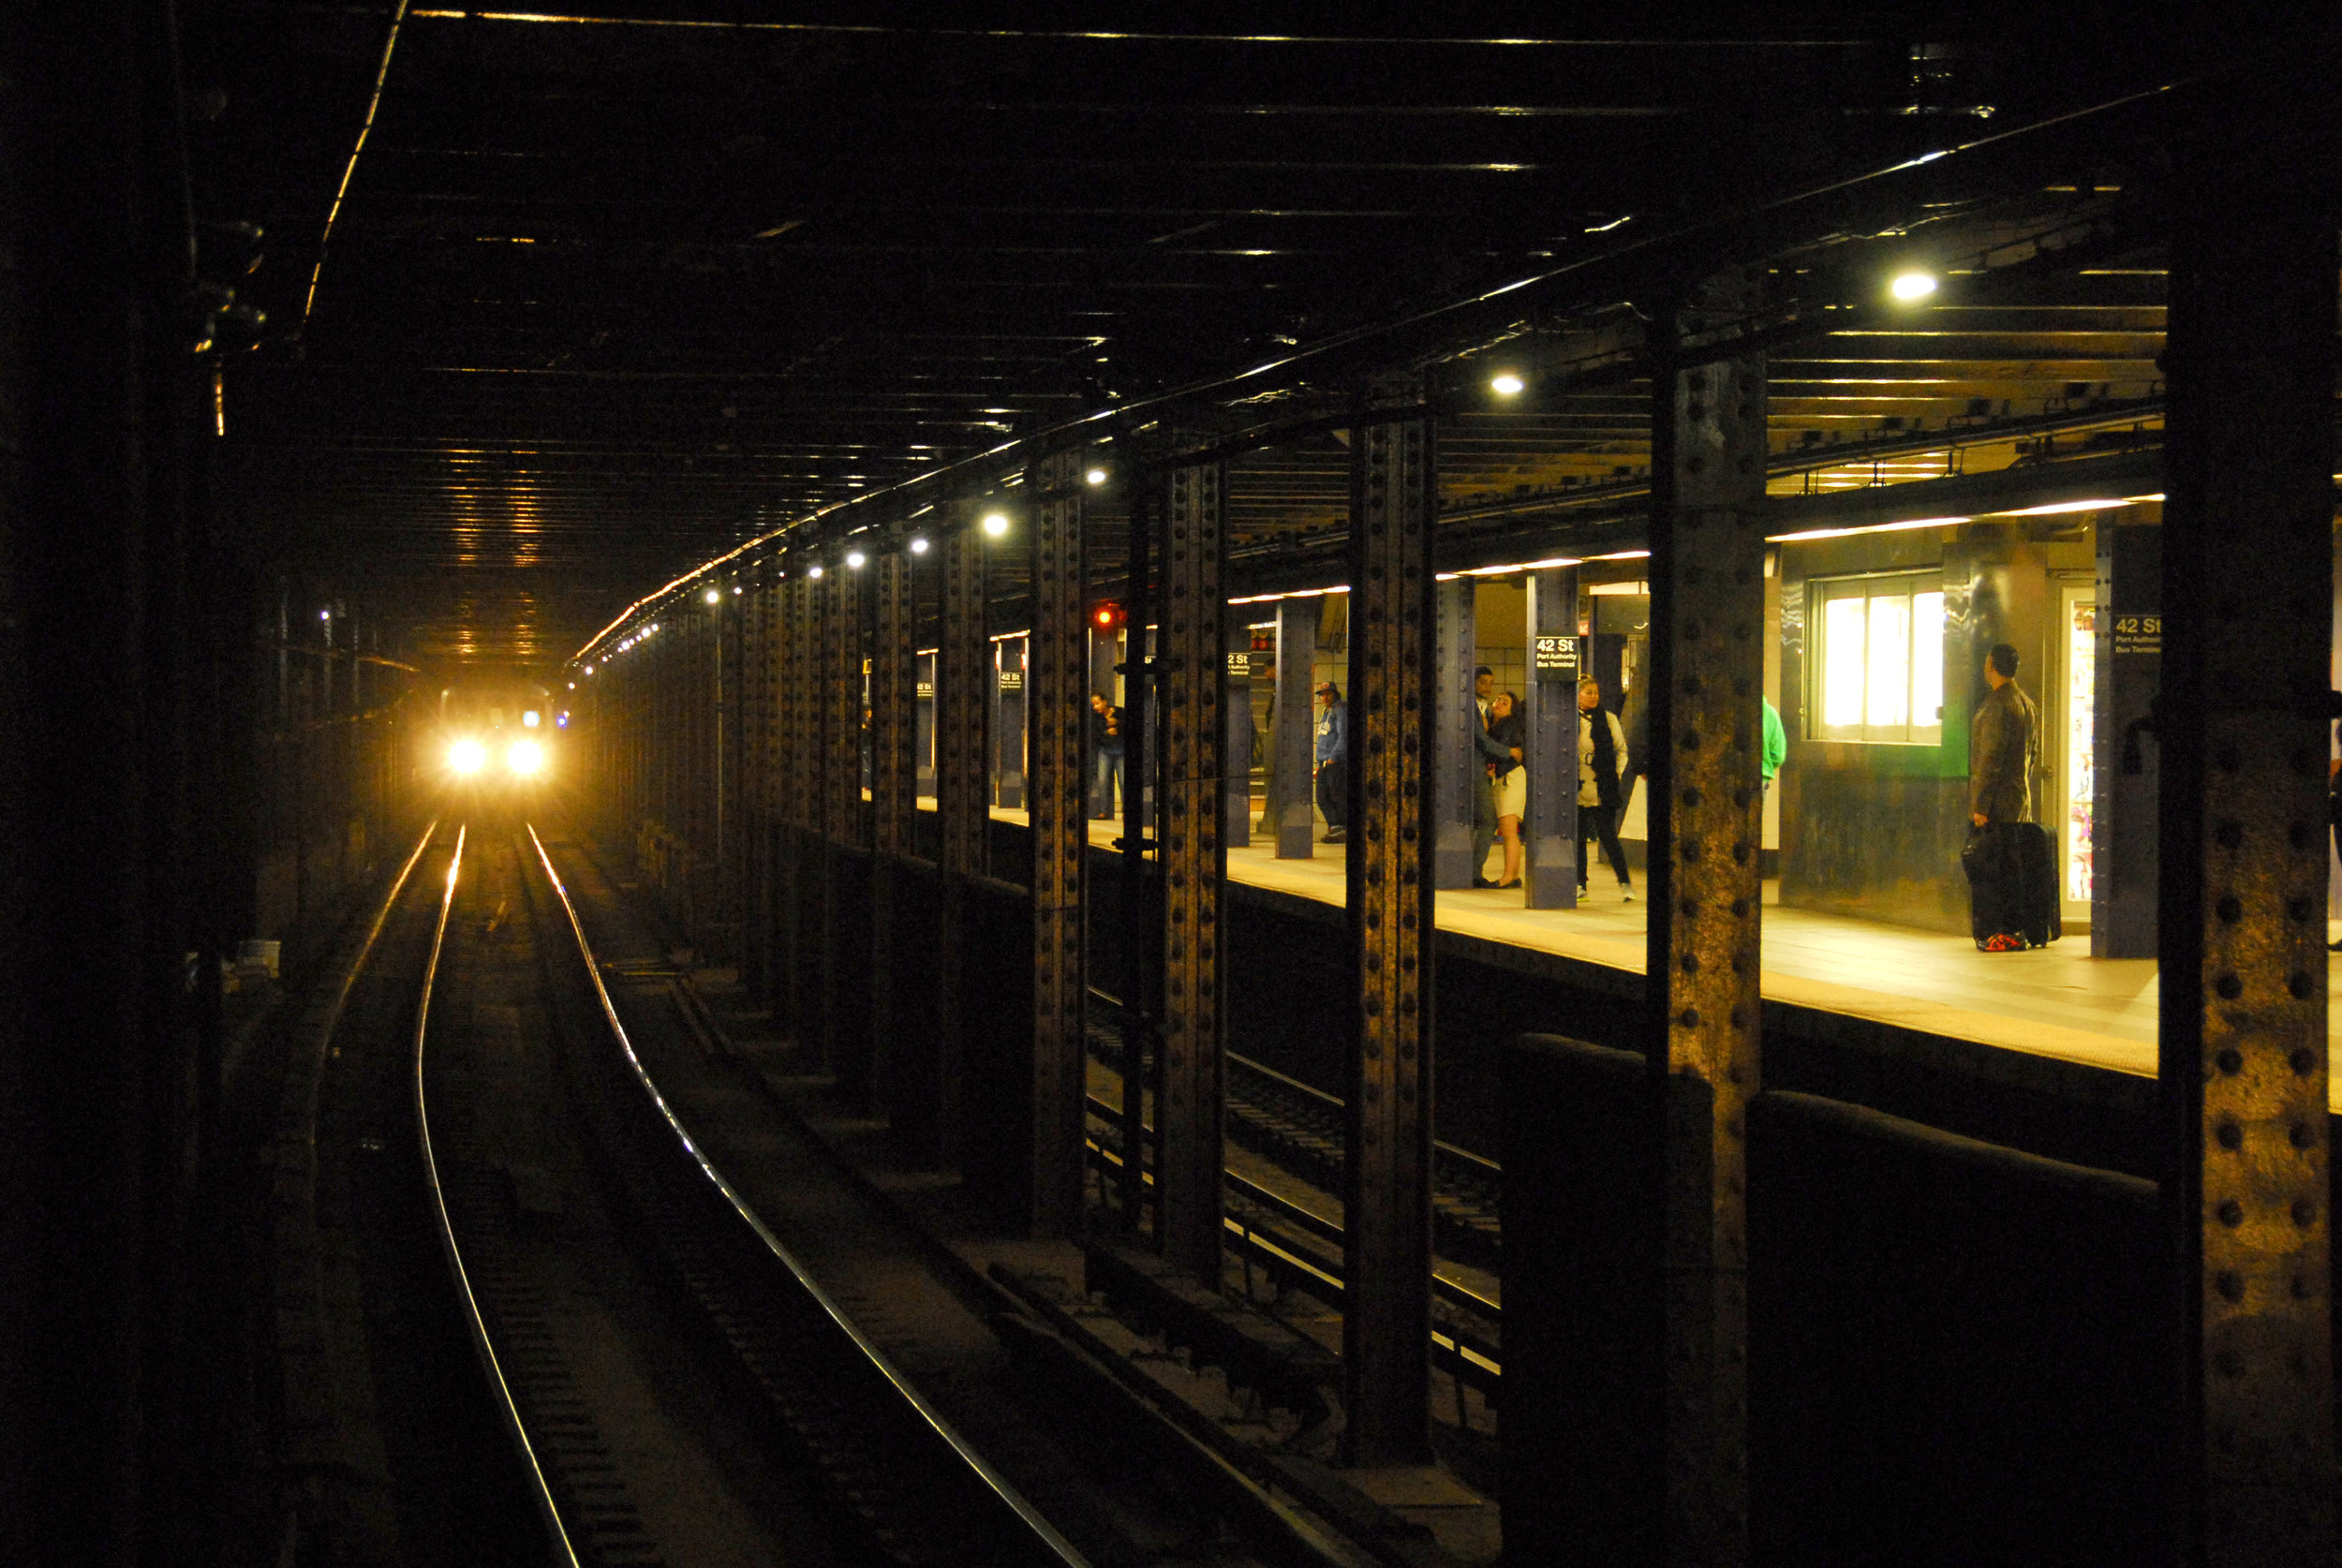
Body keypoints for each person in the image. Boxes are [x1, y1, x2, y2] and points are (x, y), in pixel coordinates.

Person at [1967, 642, 2041, 952]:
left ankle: (2002, 930)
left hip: (1998, 802)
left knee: (1997, 868)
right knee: (2013, 865)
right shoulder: (2026, 703)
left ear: (1991, 667)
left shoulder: (1998, 705)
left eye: (1987, 663)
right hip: (2018, 798)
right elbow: (2033, 753)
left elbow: (1990, 758)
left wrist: (1980, 805)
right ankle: (2016, 928)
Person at [1578, 676, 1633, 899]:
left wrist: (1615, 772)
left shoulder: (1608, 719)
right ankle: (1580, 883)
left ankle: (1625, 882)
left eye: (1596, 692)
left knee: (1608, 835)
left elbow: (1621, 749)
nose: (1593, 696)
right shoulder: (1571, 719)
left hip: (1603, 783)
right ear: (1578, 694)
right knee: (1579, 837)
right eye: (1588, 692)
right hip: (1579, 782)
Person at [1471, 665, 1508, 886]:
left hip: (1480, 768)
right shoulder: (1472, 707)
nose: (1488, 687)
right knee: (1487, 820)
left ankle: (1472, 870)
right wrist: (1508, 752)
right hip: (1474, 769)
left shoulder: (1484, 709)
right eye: (1483, 681)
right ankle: (1474, 872)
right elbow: (1481, 740)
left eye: (1491, 683)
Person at [1488, 690, 1527, 888]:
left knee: (1510, 829)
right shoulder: (1497, 725)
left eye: (1505, 702)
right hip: (1506, 777)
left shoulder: (1508, 724)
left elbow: (1498, 751)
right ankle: (1511, 873)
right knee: (1507, 829)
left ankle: (1510, 875)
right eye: (1497, 700)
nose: (1499, 703)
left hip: (1510, 777)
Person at [1314, 681, 1348, 842]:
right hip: (1324, 762)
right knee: (1322, 796)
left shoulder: (1340, 710)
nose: (1324, 697)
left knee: (1337, 794)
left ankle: (1342, 826)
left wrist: (1333, 757)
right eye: (1322, 694)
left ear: (1335, 693)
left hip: (1335, 762)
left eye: (1328, 694)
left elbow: (1343, 736)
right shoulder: (1325, 712)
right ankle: (1335, 826)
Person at [1089, 692, 1125, 819]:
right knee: (1102, 780)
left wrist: (1118, 726)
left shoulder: (1120, 712)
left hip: (1121, 751)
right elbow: (1095, 734)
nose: (1095, 707)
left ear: (1105, 702)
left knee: (1123, 781)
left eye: (1097, 703)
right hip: (1105, 751)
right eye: (1093, 704)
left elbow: (1130, 726)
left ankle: (1125, 810)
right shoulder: (1096, 718)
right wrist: (1107, 732)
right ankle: (1103, 811)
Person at [1761, 696, 1786, 795]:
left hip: (1724, 779)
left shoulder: (1723, 711)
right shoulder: (1770, 713)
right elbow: (1778, 756)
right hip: (1760, 780)